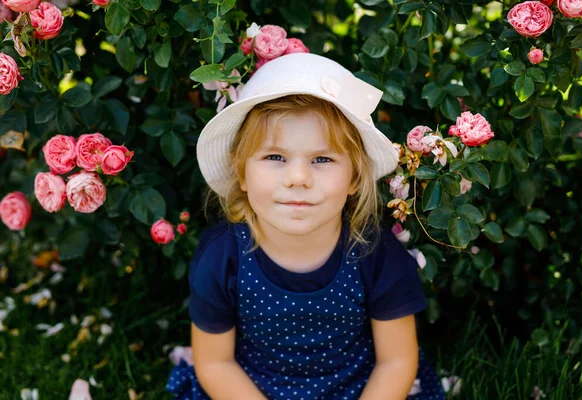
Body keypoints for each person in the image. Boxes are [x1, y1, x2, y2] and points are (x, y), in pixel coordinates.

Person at [166, 52, 445, 399]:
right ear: (242, 173)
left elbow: (396, 362)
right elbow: (215, 364)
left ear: (355, 177)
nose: (298, 178)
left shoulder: (375, 253)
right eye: (275, 157)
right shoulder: (223, 256)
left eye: (322, 159)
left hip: (358, 389)